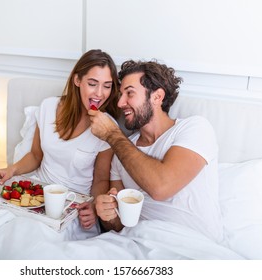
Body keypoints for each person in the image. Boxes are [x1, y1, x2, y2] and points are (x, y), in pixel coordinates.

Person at [0, 49, 120, 234]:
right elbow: (35, 155)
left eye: (107, 86)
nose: (99, 93)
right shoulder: (48, 106)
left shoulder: (107, 127)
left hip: (71, 205)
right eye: (92, 83)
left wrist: (94, 205)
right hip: (38, 193)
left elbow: (101, 179)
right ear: (77, 80)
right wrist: (10, 170)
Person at [89, 60, 224, 243]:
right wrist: (108, 215)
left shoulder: (194, 128)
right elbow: (119, 225)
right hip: (134, 244)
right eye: (121, 95)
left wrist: (112, 135)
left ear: (157, 97)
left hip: (190, 245)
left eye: (129, 93)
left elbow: (161, 187)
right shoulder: (121, 151)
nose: (120, 103)